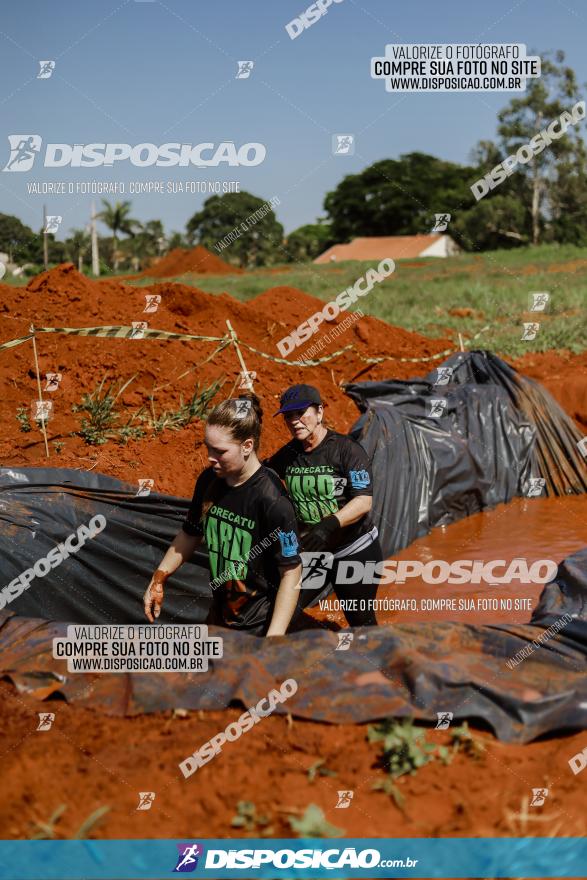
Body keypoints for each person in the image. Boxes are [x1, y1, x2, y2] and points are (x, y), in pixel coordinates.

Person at [143, 394, 302, 637]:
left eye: (220, 451)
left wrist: (274, 639)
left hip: (257, 625)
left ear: (247, 446)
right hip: (220, 615)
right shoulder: (209, 480)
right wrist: (159, 577)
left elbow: (291, 572)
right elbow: (190, 533)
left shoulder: (272, 501)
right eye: (208, 447)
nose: (210, 457)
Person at [266, 384, 381, 627]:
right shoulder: (288, 454)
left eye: (301, 413)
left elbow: (363, 501)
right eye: (289, 416)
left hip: (354, 549)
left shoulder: (346, 450)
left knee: (362, 624)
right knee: (284, 615)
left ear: (319, 412)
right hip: (313, 551)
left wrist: (328, 524)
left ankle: (378, 663)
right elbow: (260, 477)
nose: (295, 421)